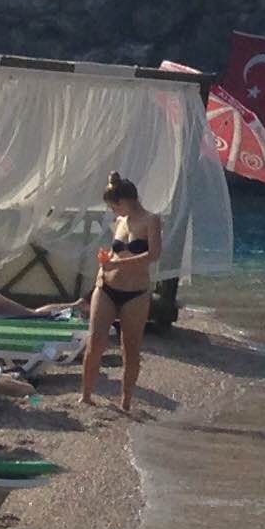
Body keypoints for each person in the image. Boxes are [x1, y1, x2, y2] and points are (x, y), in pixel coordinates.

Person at [79, 171, 163, 420]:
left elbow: (153, 255)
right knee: (95, 341)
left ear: (125, 201)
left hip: (135, 291)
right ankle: (85, 395)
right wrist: (106, 261)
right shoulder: (120, 222)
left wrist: (119, 265)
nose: (112, 211)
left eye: (113, 206)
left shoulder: (150, 220)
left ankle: (126, 399)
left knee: (131, 347)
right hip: (107, 286)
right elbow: (117, 255)